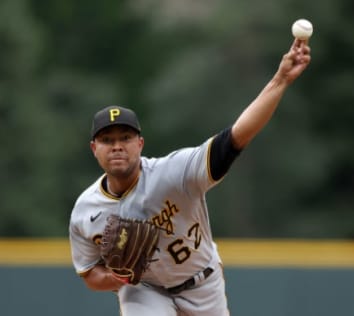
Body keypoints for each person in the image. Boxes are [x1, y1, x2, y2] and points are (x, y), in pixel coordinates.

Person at [69, 38, 311, 315]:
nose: (117, 146)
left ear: (140, 144)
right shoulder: (85, 211)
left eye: (125, 137)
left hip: (202, 283)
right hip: (144, 289)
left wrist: (280, 80)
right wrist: (119, 278)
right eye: (107, 140)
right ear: (93, 149)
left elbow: (235, 137)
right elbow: (90, 275)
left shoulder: (173, 172)